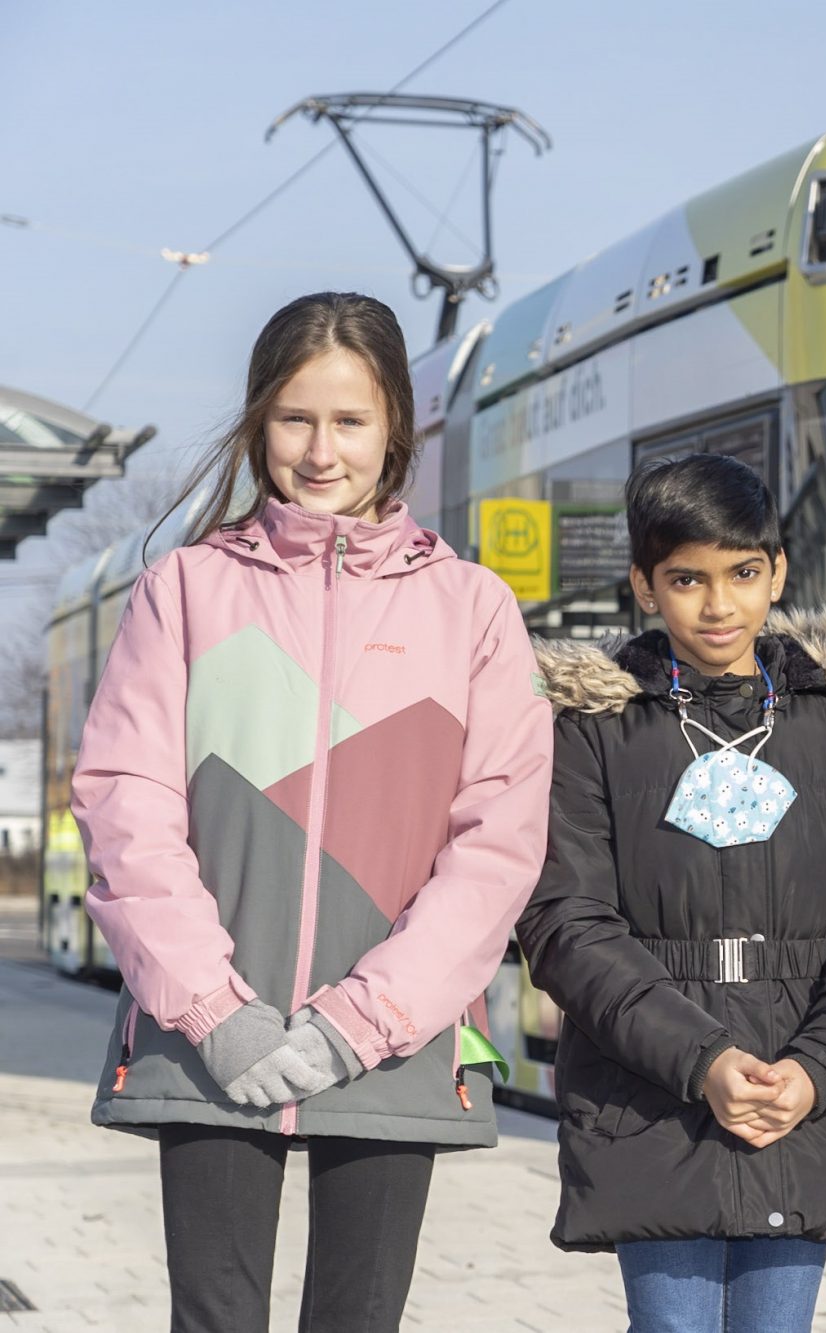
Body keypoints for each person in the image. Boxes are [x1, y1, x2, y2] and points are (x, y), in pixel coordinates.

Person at [72, 291, 555, 1333]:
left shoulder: (472, 608)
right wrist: (215, 1010)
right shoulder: (183, 591)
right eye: (294, 418)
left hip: (393, 1040)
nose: (320, 449)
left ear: (397, 431)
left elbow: (499, 843)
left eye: (350, 420)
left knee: (359, 1320)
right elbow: (127, 804)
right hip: (208, 1041)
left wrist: (359, 1021)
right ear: (257, 423)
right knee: (212, 1318)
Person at [515, 452, 826, 1333]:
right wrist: (701, 1059)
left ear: (777, 571)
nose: (719, 604)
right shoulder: (594, 740)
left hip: (803, 1099)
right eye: (687, 579)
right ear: (643, 583)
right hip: (650, 1099)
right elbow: (566, 922)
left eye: (743, 574)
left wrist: (818, 1070)